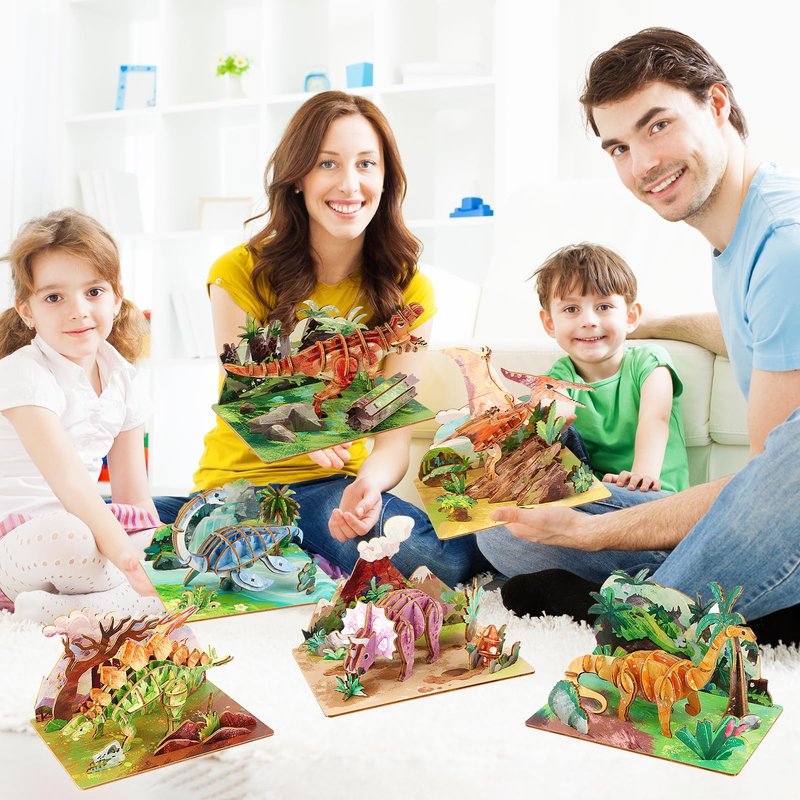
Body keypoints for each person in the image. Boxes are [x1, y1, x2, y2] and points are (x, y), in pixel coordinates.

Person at [477, 28, 800, 639]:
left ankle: (648, 613)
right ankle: (714, 603)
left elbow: (772, 495)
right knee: (507, 529)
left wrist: (593, 532)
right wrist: (649, 325)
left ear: (718, 103)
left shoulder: (784, 244)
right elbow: (763, 333)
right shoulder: (740, 238)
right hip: (771, 517)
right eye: (619, 147)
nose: (642, 164)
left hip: (789, 510)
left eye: (658, 125)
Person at [154, 91, 490, 587]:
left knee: (439, 560)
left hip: (332, 489)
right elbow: (245, 393)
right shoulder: (239, 272)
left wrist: (369, 485)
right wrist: (301, 433)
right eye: (327, 163)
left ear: (386, 178)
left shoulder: (410, 291)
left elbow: (392, 440)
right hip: (240, 488)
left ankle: (284, 548)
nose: (349, 184)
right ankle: (181, 521)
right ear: (298, 178)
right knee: (134, 534)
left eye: (366, 164)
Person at [0, 209, 164, 623]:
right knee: (70, 536)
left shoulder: (123, 378)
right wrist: (128, 560)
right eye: (54, 297)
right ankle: (121, 599)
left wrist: (159, 551)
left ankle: (58, 609)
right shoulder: (22, 373)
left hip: (93, 528)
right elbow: (71, 484)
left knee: (170, 541)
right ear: (26, 311)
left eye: (93, 291)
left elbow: (134, 500)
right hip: (24, 541)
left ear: (116, 297)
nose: (78, 310)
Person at [535, 242, 688, 496]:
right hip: (594, 497)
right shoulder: (560, 376)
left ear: (630, 316)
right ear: (550, 323)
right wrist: (550, 420)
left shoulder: (649, 362)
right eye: (571, 309)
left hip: (652, 495)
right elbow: (554, 414)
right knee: (535, 412)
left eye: (603, 307)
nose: (589, 321)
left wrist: (642, 474)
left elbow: (655, 419)